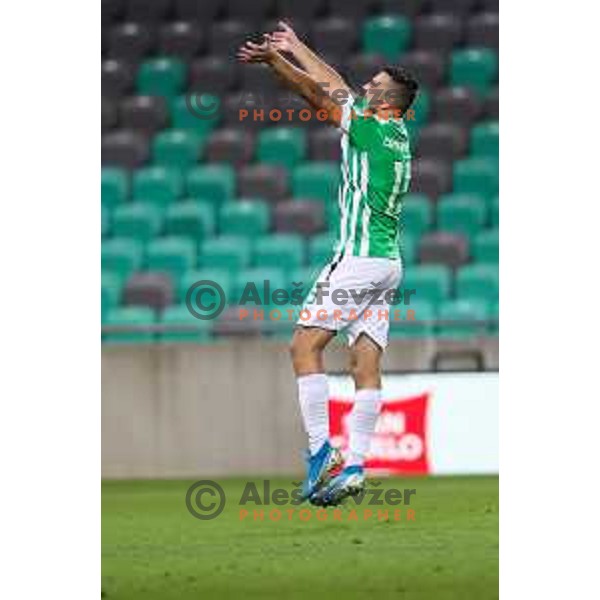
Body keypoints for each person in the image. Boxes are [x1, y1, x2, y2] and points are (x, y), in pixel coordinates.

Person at [238, 22, 418, 506]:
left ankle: (322, 451)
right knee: (364, 362)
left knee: (303, 346)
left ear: (387, 103)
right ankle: (356, 465)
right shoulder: (395, 133)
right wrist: (296, 46)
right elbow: (335, 85)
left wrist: (278, 62)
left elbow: (317, 96)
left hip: (359, 260)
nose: (364, 88)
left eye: (374, 87)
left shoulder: (370, 130)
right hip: (388, 265)